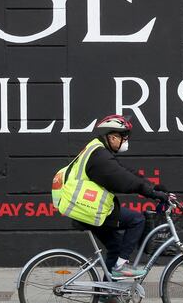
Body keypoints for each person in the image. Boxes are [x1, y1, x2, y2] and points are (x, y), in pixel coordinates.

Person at [71, 114, 170, 279]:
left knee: (116, 246)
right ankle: (120, 266)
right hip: (87, 208)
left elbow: (126, 172)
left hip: (85, 206)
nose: (126, 141)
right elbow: (124, 180)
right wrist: (151, 193)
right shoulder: (100, 156)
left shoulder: (99, 149)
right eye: (124, 137)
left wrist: (154, 187)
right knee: (137, 220)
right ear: (112, 137)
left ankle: (107, 293)